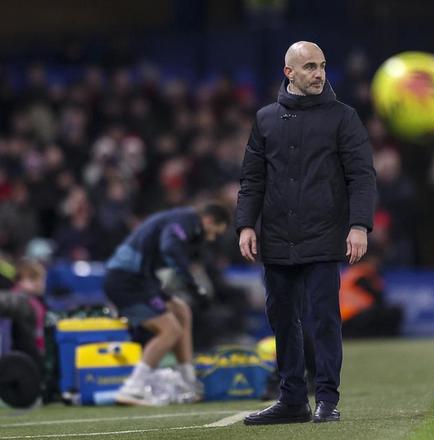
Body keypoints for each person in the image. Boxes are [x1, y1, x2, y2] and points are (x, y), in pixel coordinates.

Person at [236, 41, 376, 424]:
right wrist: (245, 224)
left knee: (324, 318)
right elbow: (252, 180)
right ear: (289, 72)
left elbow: (362, 176)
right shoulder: (266, 119)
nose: (319, 73)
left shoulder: (343, 118)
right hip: (277, 236)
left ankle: (327, 398)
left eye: (322, 65)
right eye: (310, 67)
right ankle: (293, 400)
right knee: (282, 319)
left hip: (324, 234)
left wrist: (359, 225)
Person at [103, 202, 230, 406]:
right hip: (127, 280)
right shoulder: (185, 220)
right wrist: (193, 285)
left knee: (181, 311)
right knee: (170, 330)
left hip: (142, 279)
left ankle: (187, 381)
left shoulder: (180, 219)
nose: (212, 238)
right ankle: (133, 387)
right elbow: (170, 248)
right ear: (208, 220)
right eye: (214, 232)